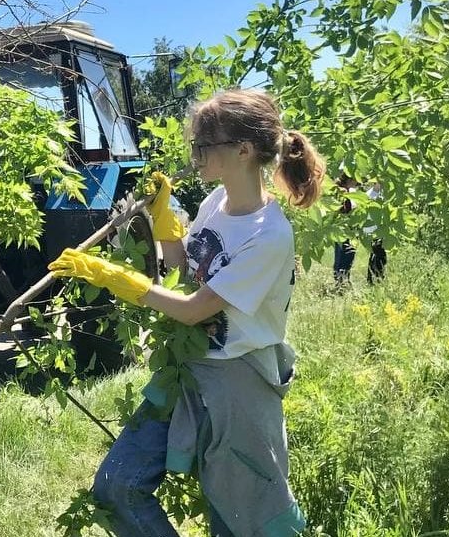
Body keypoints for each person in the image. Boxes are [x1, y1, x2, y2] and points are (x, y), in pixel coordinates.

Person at [49, 88, 325, 536]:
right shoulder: (215, 203)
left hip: (238, 385)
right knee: (117, 486)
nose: (194, 154)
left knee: (236, 518)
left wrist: (117, 279)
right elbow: (186, 274)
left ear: (243, 149)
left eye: (203, 144)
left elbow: (196, 309)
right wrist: (166, 224)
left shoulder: (269, 235)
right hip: (186, 367)